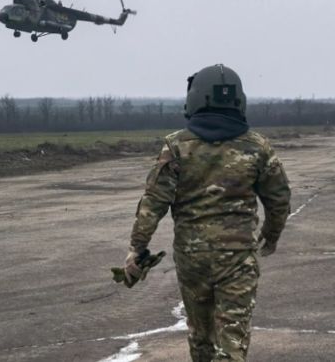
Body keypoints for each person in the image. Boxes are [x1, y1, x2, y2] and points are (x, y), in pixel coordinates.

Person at [121, 64, 291, 361]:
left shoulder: (175, 146)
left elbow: (153, 202)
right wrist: (271, 235)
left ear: (195, 98)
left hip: (192, 259)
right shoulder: (258, 147)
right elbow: (279, 199)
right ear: (239, 100)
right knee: (232, 341)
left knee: (201, 337)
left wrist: (137, 248)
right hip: (237, 259)